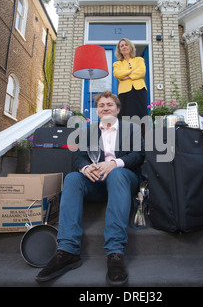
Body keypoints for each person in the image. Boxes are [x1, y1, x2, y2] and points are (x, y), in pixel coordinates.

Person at [36, 91, 145, 286]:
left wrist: (114, 163)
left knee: (117, 174)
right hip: (96, 181)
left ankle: (115, 252)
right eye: (101, 105)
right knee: (72, 179)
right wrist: (86, 168)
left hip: (123, 179)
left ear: (117, 109)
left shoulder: (132, 129)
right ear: (97, 110)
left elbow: (138, 155)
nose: (105, 107)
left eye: (109, 104)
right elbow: (79, 157)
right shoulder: (88, 130)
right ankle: (68, 250)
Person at [113, 38, 148, 119]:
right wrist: (132, 71)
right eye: (122, 46)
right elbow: (117, 74)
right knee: (126, 114)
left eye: (126, 45)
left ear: (130, 47)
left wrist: (127, 76)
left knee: (141, 114)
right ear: (119, 50)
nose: (124, 47)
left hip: (139, 90)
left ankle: (143, 132)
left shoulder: (139, 59)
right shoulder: (117, 64)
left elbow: (142, 71)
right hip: (124, 92)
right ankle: (127, 132)